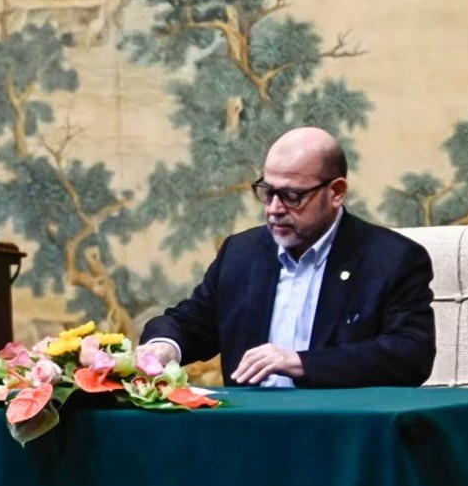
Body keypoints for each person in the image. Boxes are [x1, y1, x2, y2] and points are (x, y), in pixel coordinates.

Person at [138, 127, 436, 388]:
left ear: (336, 192)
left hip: (336, 430)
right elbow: (190, 322)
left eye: (292, 196)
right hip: (247, 430)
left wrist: (301, 363)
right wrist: (164, 347)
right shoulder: (241, 253)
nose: (274, 209)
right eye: (268, 192)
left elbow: (409, 354)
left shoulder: (392, 259)